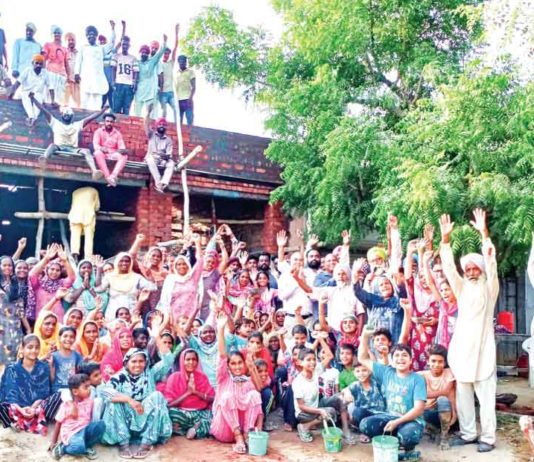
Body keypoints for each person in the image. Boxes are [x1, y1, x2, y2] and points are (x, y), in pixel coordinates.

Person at [439, 209, 498, 453]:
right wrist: (444, 241)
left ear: (481, 270)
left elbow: (492, 263)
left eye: (476, 268)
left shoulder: (490, 288)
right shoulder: (461, 288)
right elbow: (449, 270)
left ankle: (488, 437)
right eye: (469, 268)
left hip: (483, 349)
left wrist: (484, 234)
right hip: (462, 348)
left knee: (485, 396)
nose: (472, 271)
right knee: (463, 395)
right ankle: (468, 433)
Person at [358, 330, 426, 461]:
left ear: (411, 360)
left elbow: (419, 409)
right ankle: (393, 443)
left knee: (408, 436)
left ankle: (409, 450)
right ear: (392, 360)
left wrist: (397, 422)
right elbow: (362, 358)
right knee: (365, 424)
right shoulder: (387, 372)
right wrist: (365, 336)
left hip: (411, 420)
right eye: (397, 356)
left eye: (404, 355)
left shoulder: (417, 379)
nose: (400, 359)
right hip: (390, 415)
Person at [101, 348, 173, 459]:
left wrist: (158, 335)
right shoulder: (120, 377)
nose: (138, 365)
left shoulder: (150, 374)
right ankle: (123, 444)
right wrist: (129, 400)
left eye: (141, 361)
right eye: (134, 361)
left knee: (157, 396)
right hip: (125, 421)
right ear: (126, 363)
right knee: (113, 402)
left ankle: (146, 443)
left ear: (146, 362)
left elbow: (168, 360)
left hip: (144, 417)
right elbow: (105, 392)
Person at [210, 313, 263, 454]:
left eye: (240, 363)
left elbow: (259, 392)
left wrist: (251, 368)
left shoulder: (247, 380)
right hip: (226, 430)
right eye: (233, 364)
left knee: (254, 394)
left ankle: (246, 435)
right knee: (227, 396)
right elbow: (222, 354)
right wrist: (221, 329)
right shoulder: (224, 378)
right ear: (228, 366)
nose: (237, 367)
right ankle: (239, 437)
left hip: (245, 428)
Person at [30, 95, 107, 179]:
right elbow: (43, 109)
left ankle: (94, 171)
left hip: (73, 149)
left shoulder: (77, 125)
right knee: (52, 146)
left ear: (72, 117)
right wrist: (33, 99)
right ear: (62, 115)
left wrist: (103, 110)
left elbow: (92, 117)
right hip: (58, 147)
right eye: (65, 115)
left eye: (68, 115)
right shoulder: (55, 123)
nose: (67, 116)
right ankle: (44, 159)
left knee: (87, 151)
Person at [0, 334, 62, 433]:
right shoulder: (12, 368)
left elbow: (44, 392)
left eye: (37, 347)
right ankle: (16, 421)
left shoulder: (44, 367)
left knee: (60, 395)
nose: (34, 350)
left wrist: (33, 408)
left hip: (37, 408)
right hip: (16, 408)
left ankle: (24, 421)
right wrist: (21, 409)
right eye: (30, 347)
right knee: (2, 406)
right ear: (22, 349)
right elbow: (9, 394)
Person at [49, 373, 106, 459]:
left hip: (84, 430)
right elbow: (58, 423)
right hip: (72, 434)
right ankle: (63, 448)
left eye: (89, 386)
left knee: (101, 425)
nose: (89, 389)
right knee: (78, 447)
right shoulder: (66, 406)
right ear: (75, 391)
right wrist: (53, 442)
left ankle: (85, 446)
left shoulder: (89, 401)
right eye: (85, 387)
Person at [164, 348, 215, 439]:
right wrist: (188, 393)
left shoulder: (202, 377)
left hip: (200, 413)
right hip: (182, 413)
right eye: (188, 359)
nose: (191, 362)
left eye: (194, 359)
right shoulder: (174, 377)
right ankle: (195, 428)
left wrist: (196, 392)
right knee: (170, 413)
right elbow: (169, 404)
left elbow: (212, 398)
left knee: (213, 417)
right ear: (182, 361)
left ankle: (193, 429)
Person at [417, 344, 456, 450]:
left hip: (446, 412)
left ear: (444, 363)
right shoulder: (421, 375)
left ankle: (444, 436)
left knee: (442, 400)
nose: (436, 364)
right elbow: (417, 396)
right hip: (427, 413)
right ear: (428, 361)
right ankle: (432, 430)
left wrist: (455, 414)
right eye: (433, 361)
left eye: (440, 361)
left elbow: (450, 394)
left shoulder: (449, 373)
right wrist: (442, 392)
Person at [157, 235, 203, 321]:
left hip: (190, 314)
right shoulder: (170, 279)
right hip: (173, 315)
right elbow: (164, 299)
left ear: (188, 265)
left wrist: (197, 243)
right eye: (179, 264)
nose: (182, 266)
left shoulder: (193, 278)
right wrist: (166, 315)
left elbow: (200, 261)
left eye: (184, 264)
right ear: (175, 266)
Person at [29, 244, 75, 322]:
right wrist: (46, 259)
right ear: (46, 270)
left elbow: (72, 278)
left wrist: (65, 261)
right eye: (52, 269)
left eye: (57, 270)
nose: (54, 272)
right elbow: (31, 275)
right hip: (41, 318)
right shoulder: (38, 284)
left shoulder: (61, 284)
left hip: (58, 318)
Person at [343, 361, 386, 443]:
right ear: (354, 373)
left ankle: (368, 432)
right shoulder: (355, 385)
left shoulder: (377, 383)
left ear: (369, 371)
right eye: (358, 371)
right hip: (364, 417)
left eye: (364, 370)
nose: (361, 374)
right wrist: (347, 392)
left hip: (379, 415)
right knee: (357, 412)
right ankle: (364, 432)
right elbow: (345, 389)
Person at [75, 23, 115, 110]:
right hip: (86, 78)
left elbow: (111, 44)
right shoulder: (83, 47)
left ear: (96, 36)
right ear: (86, 36)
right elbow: (78, 61)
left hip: (98, 79)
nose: (91, 36)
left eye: (93, 34)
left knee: (97, 103)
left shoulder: (101, 48)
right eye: (89, 35)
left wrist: (112, 29)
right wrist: (76, 73)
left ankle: (96, 120)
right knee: (84, 101)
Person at [9, 54, 53, 127]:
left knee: (39, 98)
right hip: (26, 92)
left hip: (37, 94)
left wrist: (53, 101)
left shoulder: (45, 73)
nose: (38, 65)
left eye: (40, 64)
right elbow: (18, 82)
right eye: (37, 63)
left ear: (43, 65)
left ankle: (33, 119)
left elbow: (51, 87)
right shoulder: (27, 70)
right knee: (26, 96)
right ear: (33, 63)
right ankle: (31, 117)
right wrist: (11, 93)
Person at [134, 35, 167, 117]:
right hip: (139, 91)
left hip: (150, 91)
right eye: (143, 52)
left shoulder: (152, 62)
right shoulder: (136, 62)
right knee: (136, 113)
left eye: (146, 52)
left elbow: (159, 54)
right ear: (140, 53)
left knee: (152, 115)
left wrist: (164, 42)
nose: (144, 54)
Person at [93, 113, 129, 186]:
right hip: (102, 153)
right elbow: (95, 145)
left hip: (113, 154)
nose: (109, 123)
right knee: (97, 153)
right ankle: (108, 177)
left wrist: (121, 150)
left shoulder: (117, 134)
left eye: (111, 122)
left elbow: (122, 147)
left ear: (114, 122)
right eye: (107, 121)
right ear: (104, 122)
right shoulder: (98, 131)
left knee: (124, 156)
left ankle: (113, 176)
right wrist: (101, 148)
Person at [143, 108, 175, 193]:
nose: (162, 126)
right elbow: (146, 124)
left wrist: (165, 156)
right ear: (157, 125)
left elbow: (169, 155)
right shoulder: (151, 134)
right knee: (150, 159)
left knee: (171, 163)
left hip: (162, 160)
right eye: (160, 124)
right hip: (152, 158)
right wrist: (148, 113)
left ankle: (164, 183)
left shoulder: (168, 140)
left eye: (164, 124)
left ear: (166, 127)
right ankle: (158, 184)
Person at [67, 187, 101, 261]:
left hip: (74, 215)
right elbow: (97, 206)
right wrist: (96, 211)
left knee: (74, 236)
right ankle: (88, 258)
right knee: (89, 238)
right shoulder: (94, 190)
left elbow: (72, 204)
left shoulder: (75, 192)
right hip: (88, 215)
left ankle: (74, 253)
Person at [111, 35, 138, 115]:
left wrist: (134, 82)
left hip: (128, 85)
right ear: (121, 45)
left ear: (129, 46)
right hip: (119, 83)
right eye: (123, 44)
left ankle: (124, 126)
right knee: (116, 107)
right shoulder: (116, 56)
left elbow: (135, 71)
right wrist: (113, 81)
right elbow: (113, 69)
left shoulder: (133, 58)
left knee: (126, 107)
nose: (125, 46)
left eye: (126, 44)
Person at [158, 24, 179, 120]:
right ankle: (162, 127)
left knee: (176, 108)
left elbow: (175, 48)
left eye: (168, 54)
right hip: (162, 92)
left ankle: (176, 127)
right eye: (165, 53)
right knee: (164, 111)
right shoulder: (159, 63)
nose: (166, 55)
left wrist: (176, 33)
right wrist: (164, 42)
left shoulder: (170, 63)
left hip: (170, 92)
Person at [42, 26, 68, 105]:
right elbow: (43, 58)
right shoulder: (48, 45)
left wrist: (68, 76)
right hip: (51, 72)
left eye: (59, 33)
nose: (57, 34)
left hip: (62, 75)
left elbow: (66, 63)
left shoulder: (64, 48)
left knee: (60, 96)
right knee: (49, 95)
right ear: (52, 34)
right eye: (55, 33)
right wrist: (43, 72)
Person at [174, 54, 195, 125]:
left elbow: (194, 87)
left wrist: (190, 98)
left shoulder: (190, 72)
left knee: (190, 119)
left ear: (186, 62)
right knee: (178, 122)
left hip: (187, 99)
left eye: (184, 61)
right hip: (178, 100)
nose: (182, 63)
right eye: (180, 61)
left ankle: (189, 135)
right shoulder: (176, 73)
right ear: (178, 62)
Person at [63, 32, 80, 107]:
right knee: (64, 104)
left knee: (78, 105)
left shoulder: (79, 53)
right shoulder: (63, 52)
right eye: (69, 40)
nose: (71, 42)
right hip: (66, 82)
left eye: (72, 40)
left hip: (76, 82)